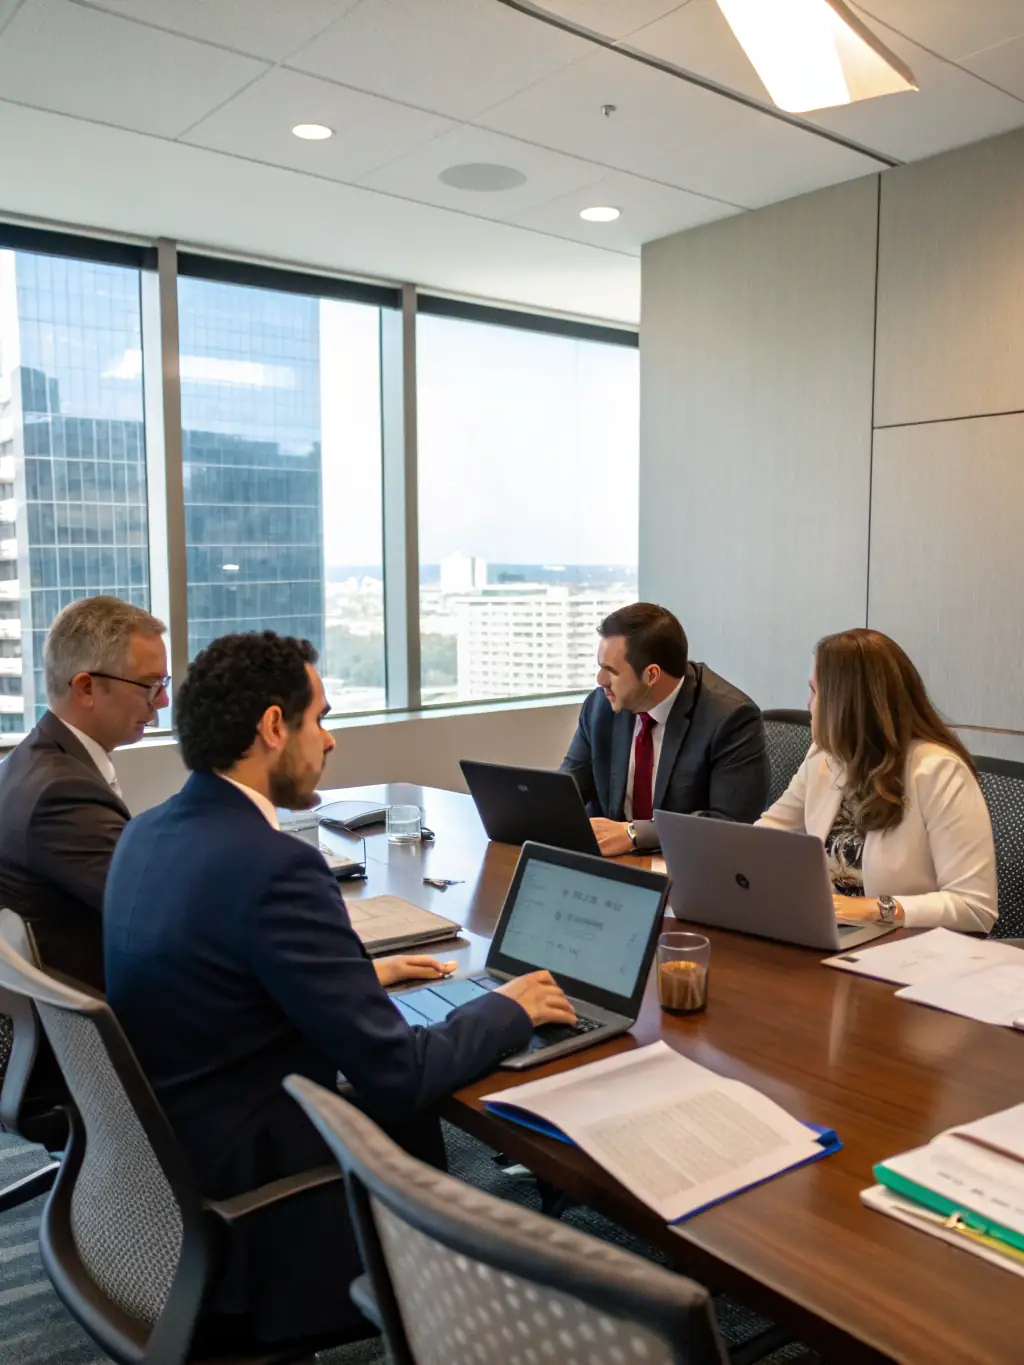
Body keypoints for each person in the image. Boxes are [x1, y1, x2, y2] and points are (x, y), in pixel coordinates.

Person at [104, 630, 574, 1345]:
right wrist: (505, 1007)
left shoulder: (147, 832)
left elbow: (222, 977)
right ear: (271, 726)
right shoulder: (276, 867)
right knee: (422, 1115)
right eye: (319, 718)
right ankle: (447, 1308)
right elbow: (398, 1072)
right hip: (256, 1213)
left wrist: (353, 974)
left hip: (159, 1182)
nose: (331, 741)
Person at [759, 628, 997, 933]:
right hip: (834, 939)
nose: (808, 704)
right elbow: (765, 839)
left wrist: (875, 909)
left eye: (815, 692)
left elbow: (974, 907)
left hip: (910, 951)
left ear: (846, 704)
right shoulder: (827, 757)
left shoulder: (939, 771)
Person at [0, 595, 168, 988]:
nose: (161, 702)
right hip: (108, 1019)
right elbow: (160, 912)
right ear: (86, 687)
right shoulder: (60, 794)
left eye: (162, 684)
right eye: (148, 685)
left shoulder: (33, 762)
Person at [561, 602, 769, 855]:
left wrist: (634, 834)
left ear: (651, 675)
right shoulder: (600, 707)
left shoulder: (730, 718)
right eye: (600, 667)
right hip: (613, 866)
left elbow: (730, 823)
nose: (600, 681)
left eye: (611, 671)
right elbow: (568, 789)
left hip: (686, 867)